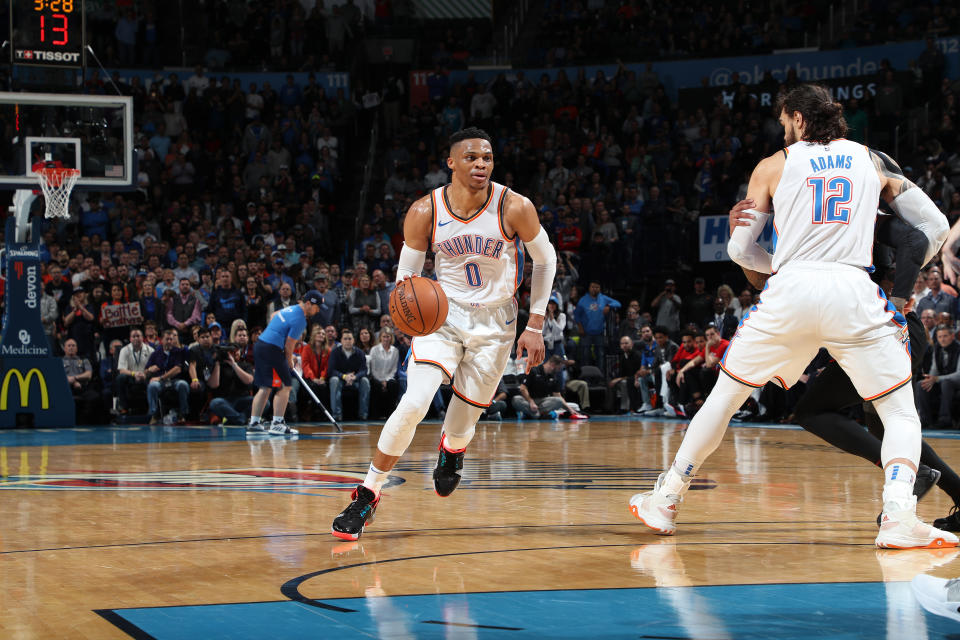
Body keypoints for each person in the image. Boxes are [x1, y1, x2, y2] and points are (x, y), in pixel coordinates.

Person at [629, 83, 956, 549]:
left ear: (799, 119)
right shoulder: (874, 160)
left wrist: (778, 265)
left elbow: (741, 248)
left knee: (725, 400)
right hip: (854, 289)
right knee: (899, 411)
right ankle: (899, 514)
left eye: (785, 123)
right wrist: (903, 283)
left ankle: (666, 498)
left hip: (791, 289)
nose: (783, 132)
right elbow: (935, 227)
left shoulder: (772, 166)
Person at [332, 127, 557, 540]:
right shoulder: (425, 211)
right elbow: (407, 278)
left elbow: (546, 260)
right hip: (443, 318)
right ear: (451, 162)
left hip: (496, 324)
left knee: (460, 423)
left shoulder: (515, 206)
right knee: (414, 403)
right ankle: (367, 494)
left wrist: (536, 323)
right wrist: (408, 311)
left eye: (487, 158)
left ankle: (452, 451)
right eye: (471, 157)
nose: (481, 165)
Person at [247, 290, 324, 436]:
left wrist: (277, 333)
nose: (318, 310)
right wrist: (290, 361)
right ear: (308, 304)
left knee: (266, 387)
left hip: (261, 345)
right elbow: (290, 345)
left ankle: (254, 423)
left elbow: (274, 315)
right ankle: (277, 423)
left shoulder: (290, 308)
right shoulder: (301, 319)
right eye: (317, 307)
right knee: (285, 385)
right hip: (272, 349)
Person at [145, 329, 190, 424]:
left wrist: (161, 378)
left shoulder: (178, 352)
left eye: (171, 339)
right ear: (162, 340)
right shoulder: (155, 354)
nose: (169, 341)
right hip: (160, 383)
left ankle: (183, 414)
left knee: (183, 384)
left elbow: (177, 369)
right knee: (152, 386)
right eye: (167, 339)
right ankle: (154, 415)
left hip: (174, 381)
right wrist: (149, 370)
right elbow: (146, 371)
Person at [327, 328, 371, 421]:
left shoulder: (360, 353)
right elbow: (331, 370)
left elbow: (364, 370)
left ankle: (363, 414)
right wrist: (344, 376)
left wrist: (355, 377)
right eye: (345, 339)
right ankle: (337, 415)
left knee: (365, 381)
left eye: (350, 339)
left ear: (354, 340)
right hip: (340, 379)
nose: (348, 341)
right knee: (334, 380)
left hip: (355, 380)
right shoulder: (335, 352)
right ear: (341, 341)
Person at [115, 328, 154, 414]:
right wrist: (134, 374)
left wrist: (145, 374)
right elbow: (121, 370)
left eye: (138, 336)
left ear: (142, 338)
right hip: (131, 376)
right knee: (120, 378)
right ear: (130, 338)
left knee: (154, 380)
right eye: (134, 336)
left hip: (146, 376)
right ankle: (123, 407)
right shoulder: (124, 350)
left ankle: (152, 409)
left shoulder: (150, 350)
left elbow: (154, 367)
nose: (136, 338)